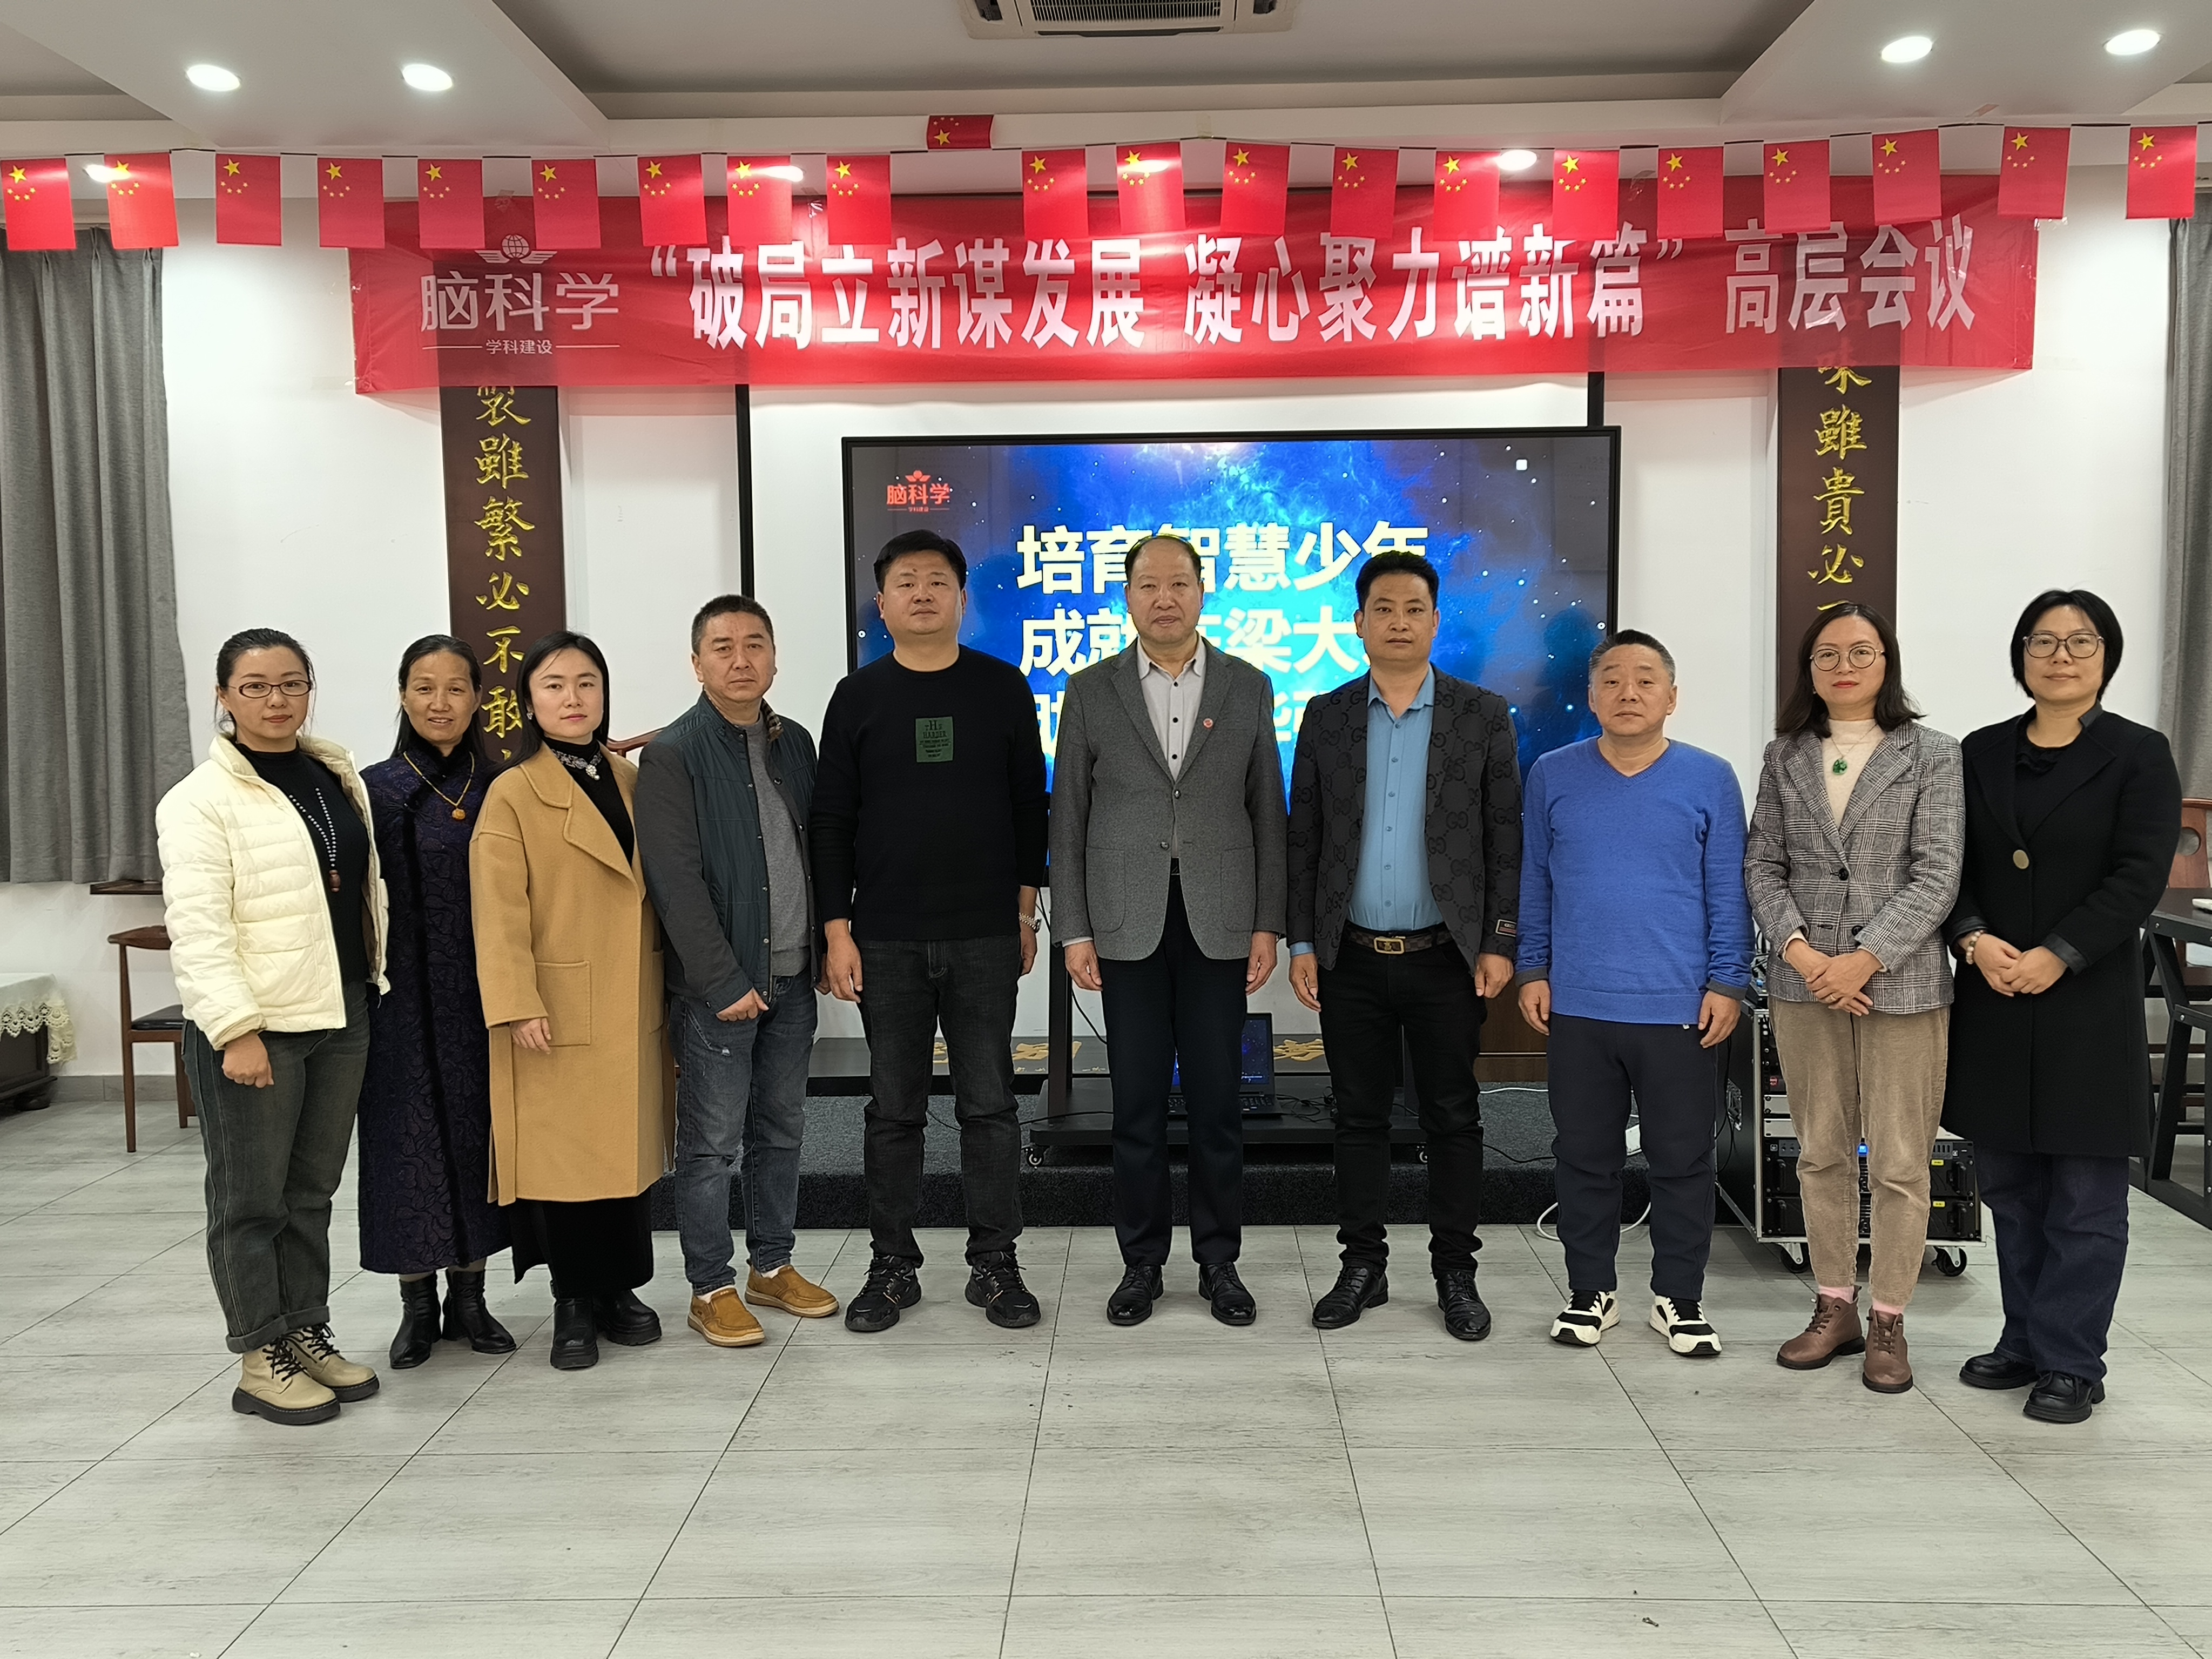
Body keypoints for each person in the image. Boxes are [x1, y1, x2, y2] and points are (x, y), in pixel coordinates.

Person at [1945, 590, 2180, 1424]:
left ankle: (2074, 1360)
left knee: (2085, 1196)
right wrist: (1973, 938)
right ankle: (2024, 1340)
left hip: (2086, 1000)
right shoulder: (1980, 751)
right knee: (2011, 1188)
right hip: (1996, 994)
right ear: (2021, 656)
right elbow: (1952, 864)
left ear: (2107, 657)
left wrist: (2060, 953)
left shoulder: (2140, 754)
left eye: (2081, 642)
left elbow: (2138, 875)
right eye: (2043, 642)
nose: (2061, 656)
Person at [812, 530, 1049, 1333]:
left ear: (961, 598)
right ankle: (891, 1266)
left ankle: (996, 1264)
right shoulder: (857, 697)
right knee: (894, 1109)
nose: (922, 593)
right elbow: (832, 820)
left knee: (990, 1104)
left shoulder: (1002, 687)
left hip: (984, 932)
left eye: (938, 581)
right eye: (906, 582)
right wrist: (837, 931)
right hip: (886, 937)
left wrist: (1024, 911)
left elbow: (1029, 808)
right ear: (882, 605)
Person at [1286, 552, 1521, 1342]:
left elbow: (1504, 836)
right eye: (1382, 609)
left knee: (1452, 1118)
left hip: (1446, 956)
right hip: (1349, 956)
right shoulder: (1326, 714)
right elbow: (1304, 835)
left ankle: (1456, 1272)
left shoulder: (1481, 714)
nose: (1398, 622)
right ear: (1358, 623)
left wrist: (1499, 940)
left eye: (1414, 608)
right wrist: (1302, 941)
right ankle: (1363, 1266)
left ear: (1435, 621)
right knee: (1358, 1118)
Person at [1055, 533, 1287, 1328]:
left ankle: (1220, 1262)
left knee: (1219, 1104)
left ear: (1202, 592)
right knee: (1138, 1105)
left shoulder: (1248, 686)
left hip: (1220, 920)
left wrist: (1268, 923)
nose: (1164, 598)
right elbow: (1068, 818)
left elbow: (1268, 811)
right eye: (1148, 585)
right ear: (1127, 598)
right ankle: (1142, 1263)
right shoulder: (1090, 690)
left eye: (1179, 583)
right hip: (1126, 923)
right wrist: (1074, 929)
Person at [159, 628, 387, 1426]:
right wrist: (234, 1030)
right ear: (224, 696)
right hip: (259, 1028)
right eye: (255, 686)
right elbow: (198, 929)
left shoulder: (333, 773)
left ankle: (304, 1331)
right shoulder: (199, 801)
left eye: (292, 683)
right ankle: (261, 1356)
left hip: (341, 1009)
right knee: (249, 1202)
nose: (276, 699)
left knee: (311, 1194)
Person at [1745, 603, 1963, 1394]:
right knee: (1821, 1152)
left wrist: (1865, 959)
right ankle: (1833, 1304)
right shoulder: (1784, 755)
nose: (1844, 666)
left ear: (1887, 663)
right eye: (1828, 654)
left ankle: (1890, 1319)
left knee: (1900, 1160)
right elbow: (1762, 865)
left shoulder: (1934, 754)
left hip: (1900, 982)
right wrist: (1805, 955)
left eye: (1861, 652)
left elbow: (1939, 874)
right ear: (1808, 670)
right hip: (1805, 983)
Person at [1515, 631, 1751, 1356]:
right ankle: (1591, 1292)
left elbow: (1728, 890)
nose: (1628, 692)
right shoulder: (1553, 774)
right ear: (1591, 697)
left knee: (1683, 1161)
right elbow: (1535, 880)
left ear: (1671, 698)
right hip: (1580, 1005)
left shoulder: (1710, 778)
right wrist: (1532, 968)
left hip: (1679, 1007)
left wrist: (1729, 981)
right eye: (1612, 680)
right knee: (1584, 1157)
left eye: (1646, 680)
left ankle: (1680, 1298)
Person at [638, 595, 837, 1350]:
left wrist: (823, 950)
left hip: (792, 977)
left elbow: (817, 854)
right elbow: (675, 882)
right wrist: (722, 981)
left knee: (782, 1131)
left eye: (755, 644)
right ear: (697, 664)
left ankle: (772, 1267)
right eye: (722, 647)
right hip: (719, 989)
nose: (741, 659)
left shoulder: (797, 744)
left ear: (774, 658)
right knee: (712, 1145)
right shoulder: (674, 753)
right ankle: (710, 1286)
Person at [471, 631, 673, 1372]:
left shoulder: (630, 778)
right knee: (567, 1164)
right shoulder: (513, 791)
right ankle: (573, 1299)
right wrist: (516, 1002)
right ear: (528, 703)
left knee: (625, 1157)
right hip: (555, 1006)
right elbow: (498, 912)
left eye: (587, 683)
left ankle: (621, 1288)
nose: (573, 698)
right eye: (554, 686)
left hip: (632, 994)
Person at [358, 635, 514, 1368]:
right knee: (405, 1145)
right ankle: (417, 1306)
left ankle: (472, 1300)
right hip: (395, 1004)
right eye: (425, 688)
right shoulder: (371, 790)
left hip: (481, 997)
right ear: (403, 695)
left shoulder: (502, 786)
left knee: (477, 1141)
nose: (440, 703)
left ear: (478, 698)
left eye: (456, 688)